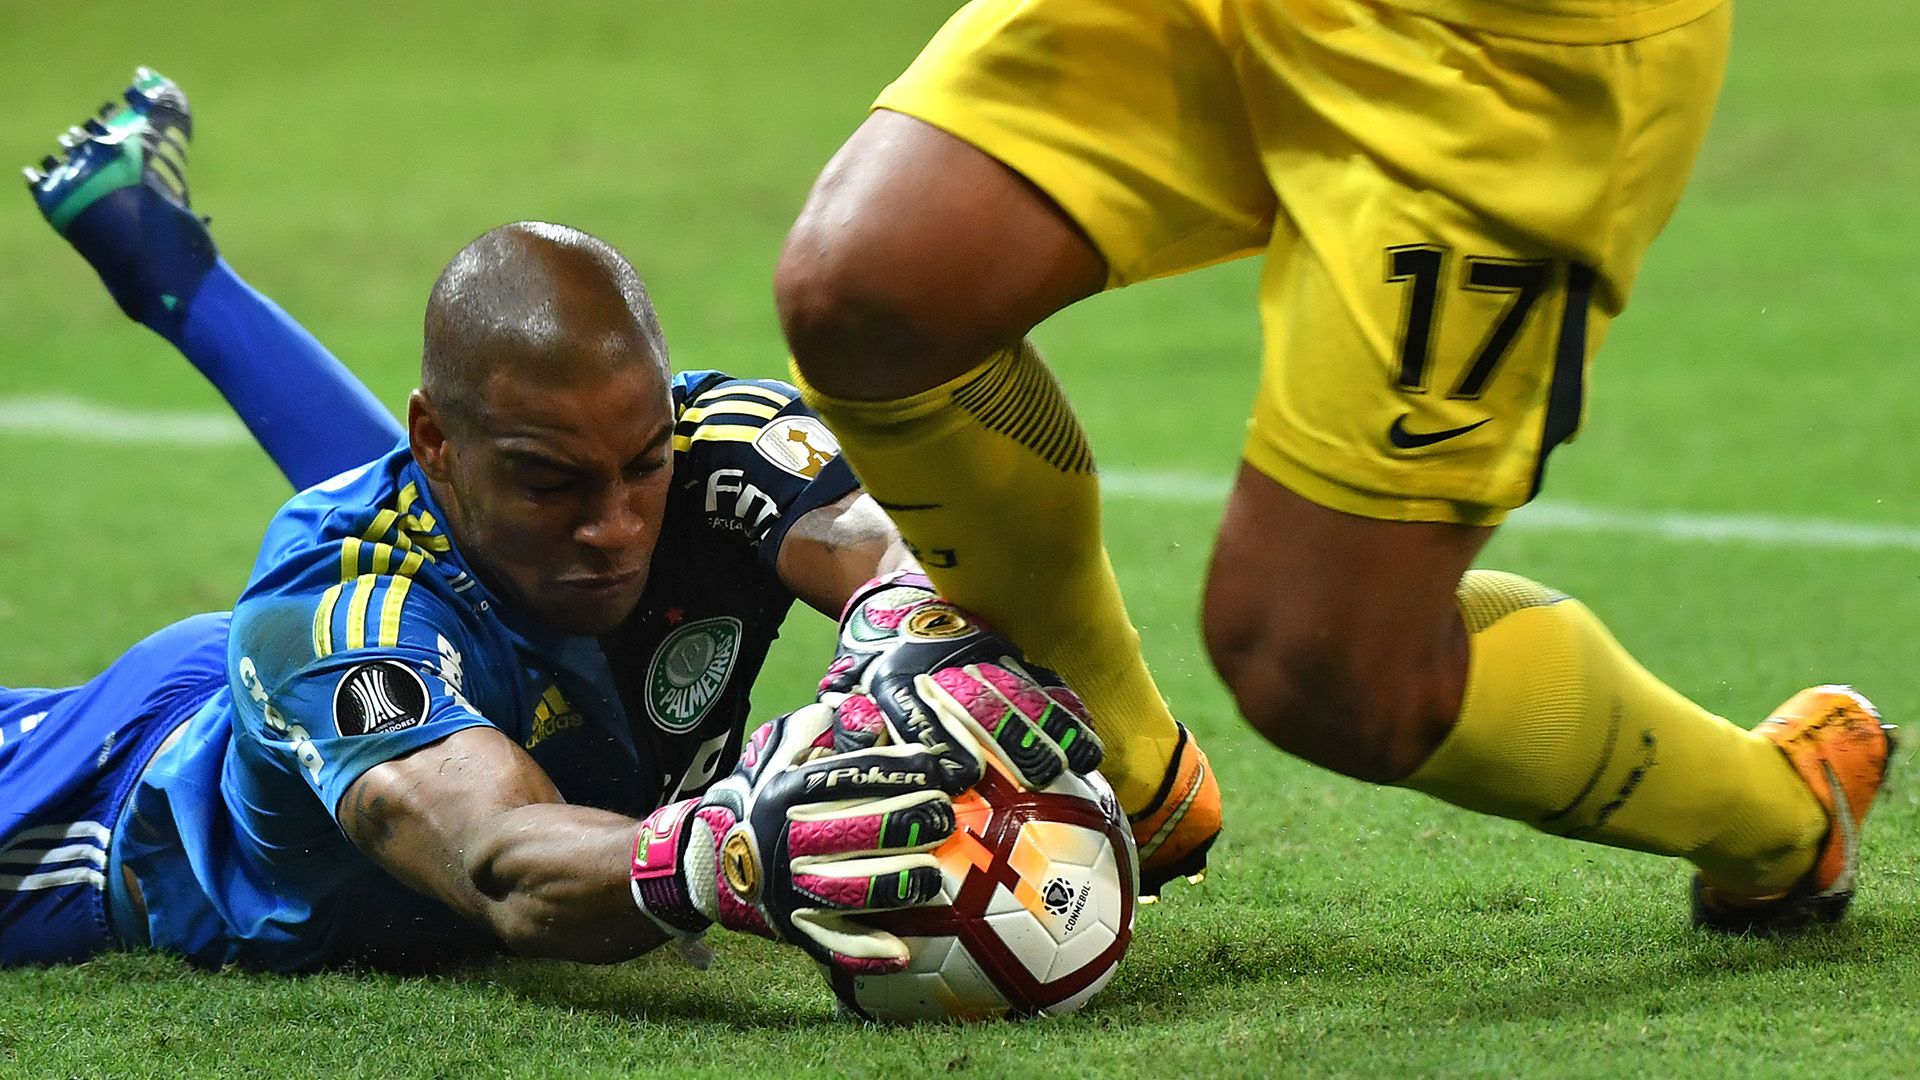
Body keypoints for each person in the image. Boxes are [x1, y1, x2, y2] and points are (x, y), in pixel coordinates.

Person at [772, 0, 1895, 929]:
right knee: (869, 290)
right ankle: (1120, 766)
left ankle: (1780, 818)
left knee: (1323, 669)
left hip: (1488, 55)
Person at [4, 71, 1097, 972]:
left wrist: (908, 620)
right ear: (433, 440)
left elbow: (894, 536)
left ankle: (154, 254)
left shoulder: (714, 440)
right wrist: (721, 854)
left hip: (401, 628)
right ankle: (158, 260)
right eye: (557, 483)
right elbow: (499, 860)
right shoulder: (328, 620)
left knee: (467, 528)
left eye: (644, 467)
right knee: (389, 555)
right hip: (108, 791)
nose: (616, 528)